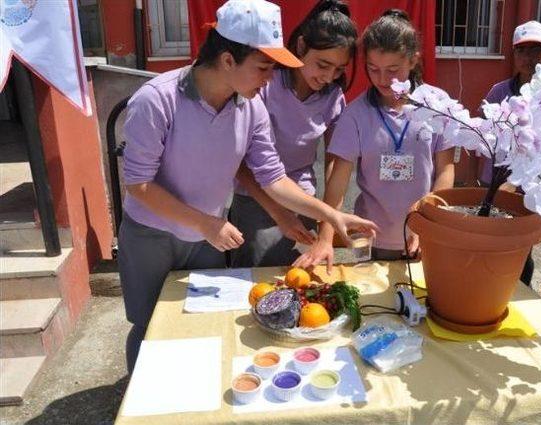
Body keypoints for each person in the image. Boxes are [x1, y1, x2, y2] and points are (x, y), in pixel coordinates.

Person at [119, 0, 376, 373]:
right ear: (227, 60)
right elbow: (138, 184)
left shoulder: (249, 106)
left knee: (202, 323)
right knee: (148, 328)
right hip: (151, 235)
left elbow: (272, 177)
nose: (269, 78)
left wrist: (329, 214)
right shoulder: (157, 100)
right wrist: (207, 223)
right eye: (263, 67)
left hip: (206, 237)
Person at [294, 9, 455, 272]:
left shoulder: (437, 105)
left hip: (424, 235)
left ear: (413, 61)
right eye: (373, 69)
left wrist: (431, 221)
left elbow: (446, 169)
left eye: (393, 70)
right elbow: (337, 183)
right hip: (371, 237)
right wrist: (325, 239)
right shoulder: (356, 115)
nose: (382, 80)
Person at [229, 0, 357, 267]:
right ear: (300, 46)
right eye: (322, 65)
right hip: (256, 199)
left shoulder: (333, 97)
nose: (329, 77)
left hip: (303, 200)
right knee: (261, 277)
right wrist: (279, 213)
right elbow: (239, 161)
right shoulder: (264, 85)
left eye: (338, 70)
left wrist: (326, 228)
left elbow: (336, 163)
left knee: (302, 281)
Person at [476, 20, 541, 285]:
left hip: (528, 186)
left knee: (521, 250)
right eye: (522, 50)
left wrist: (517, 182)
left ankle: (518, 292)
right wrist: (484, 182)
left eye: (536, 50)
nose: (528, 57)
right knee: (488, 242)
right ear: (514, 54)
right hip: (495, 180)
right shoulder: (499, 92)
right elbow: (484, 135)